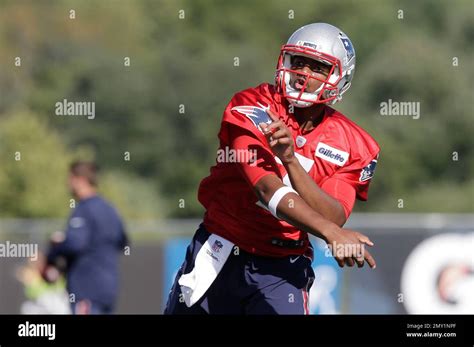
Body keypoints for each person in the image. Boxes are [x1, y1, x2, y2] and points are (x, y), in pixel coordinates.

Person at [165, 23, 380, 315]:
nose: (303, 73)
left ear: (340, 77)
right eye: (298, 62)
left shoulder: (353, 143)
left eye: (317, 67)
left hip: (282, 266)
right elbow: (265, 188)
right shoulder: (252, 105)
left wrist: (291, 161)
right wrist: (329, 232)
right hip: (221, 250)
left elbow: (333, 215)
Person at [45, 161, 128, 314]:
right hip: (108, 289)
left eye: (70, 179)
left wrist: (56, 247)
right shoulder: (110, 209)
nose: (68, 184)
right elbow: (123, 241)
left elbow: (75, 243)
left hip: (86, 289)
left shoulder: (84, 209)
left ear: (80, 180)